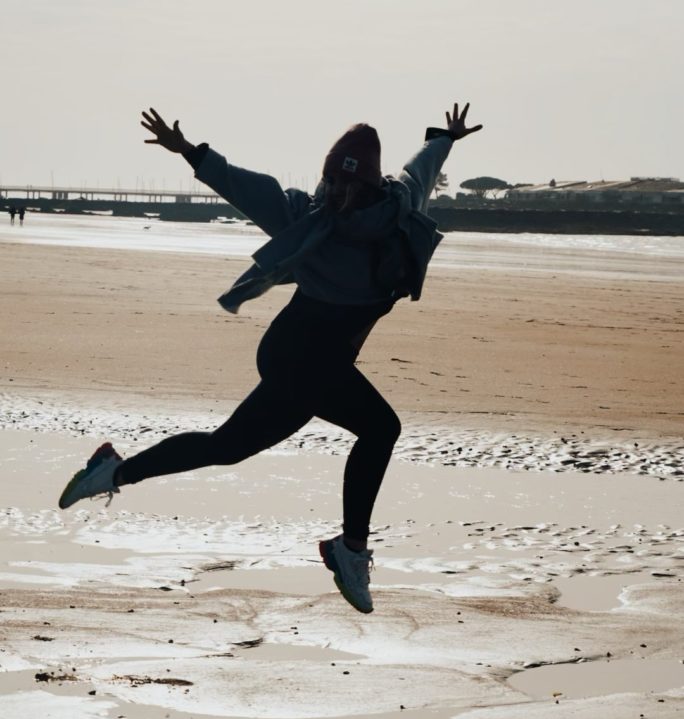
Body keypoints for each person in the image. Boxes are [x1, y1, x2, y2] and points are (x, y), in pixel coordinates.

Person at [59, 103, 482, 612]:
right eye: (331, 181)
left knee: (227, 447)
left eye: (347, 185)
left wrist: (445, 138)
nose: (336, 193)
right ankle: (350, 550)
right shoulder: (307, 217)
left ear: (371, 185)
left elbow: (422, 167)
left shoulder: (399, 210)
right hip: (294, 353)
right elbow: (244, 186)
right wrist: (189, 151)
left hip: (321, 363)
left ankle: (111, 472)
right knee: (380, 429)